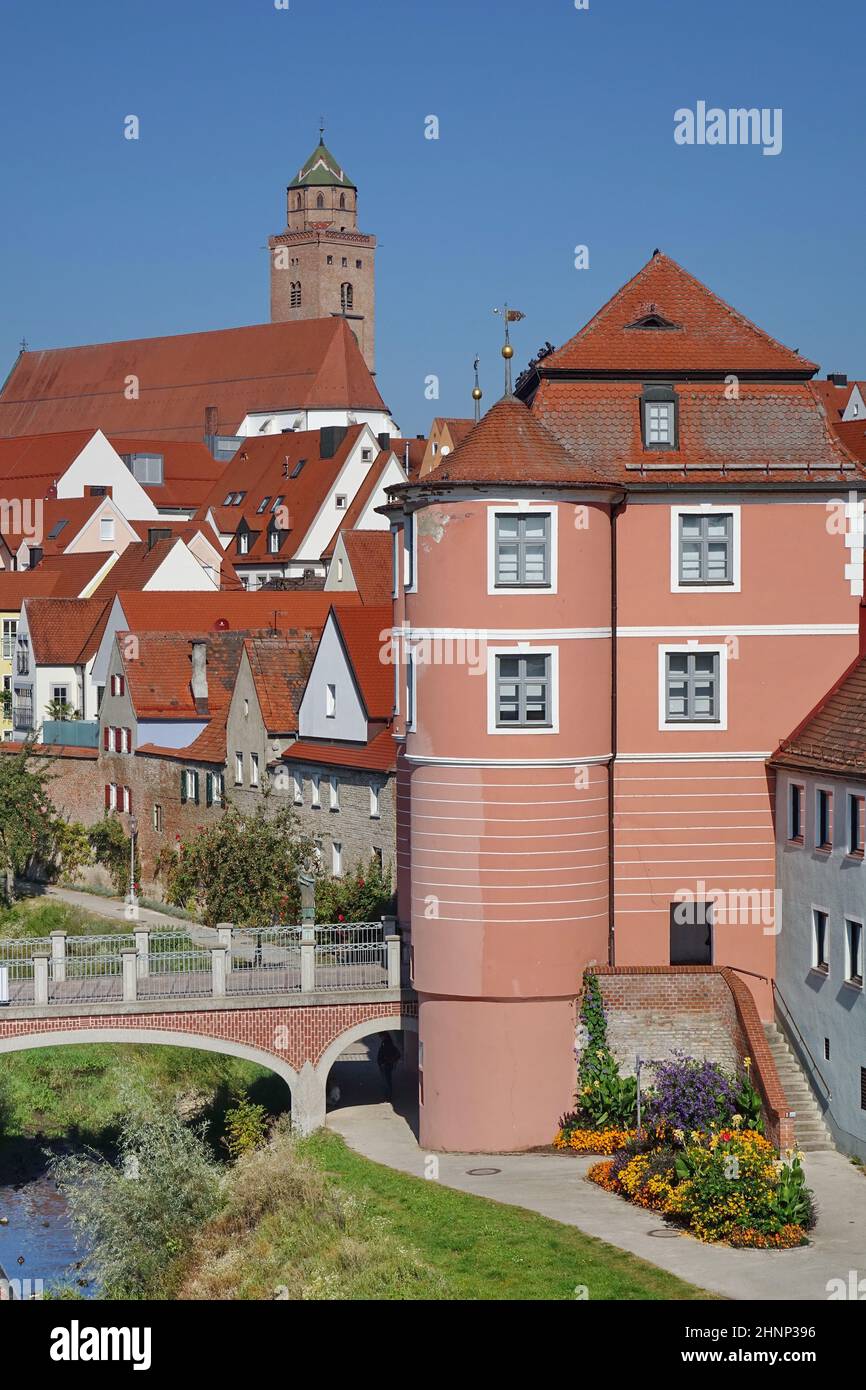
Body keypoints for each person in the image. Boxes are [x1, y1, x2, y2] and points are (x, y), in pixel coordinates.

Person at [376, 1032, 401, 1101]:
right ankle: (387, 1096)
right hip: (386, 1064)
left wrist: (388, 1061)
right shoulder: (386, 1043)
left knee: (386, 1081)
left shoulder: (386, 1044)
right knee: (387, 1080)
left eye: (380, 1036)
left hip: (386, 1065)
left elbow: (395, 1054)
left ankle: (388, 1096)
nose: (380, 1037)